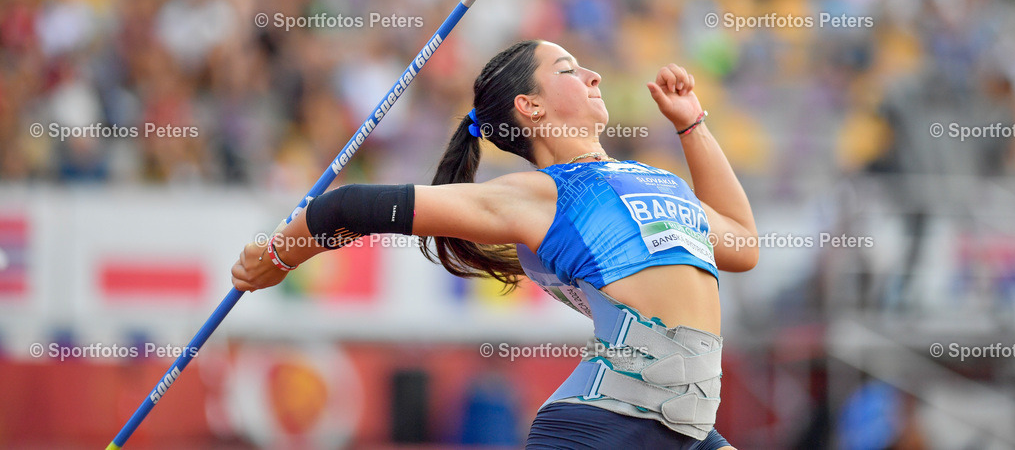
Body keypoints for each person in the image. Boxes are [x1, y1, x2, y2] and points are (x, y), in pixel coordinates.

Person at [232, 39, 758, 449]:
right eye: (569, 70)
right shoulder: (535, 196)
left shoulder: (659, 179)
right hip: (601, 428)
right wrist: (277, 256)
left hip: (687, 429)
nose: (593, 74)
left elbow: (741, 242)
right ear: (530, 106)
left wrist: (691, 124)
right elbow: (349, 206)